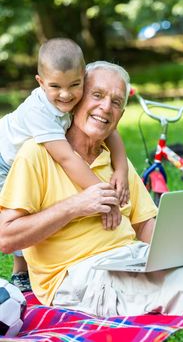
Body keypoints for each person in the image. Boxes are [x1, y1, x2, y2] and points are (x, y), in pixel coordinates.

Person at [0, 61, 183, 320]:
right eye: (97, 95)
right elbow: (6, 237)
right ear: (76, 100)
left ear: (120, 116)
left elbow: (145, 226)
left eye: (116, 101)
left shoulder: (115, 161)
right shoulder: (36, 154)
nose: (105, 107)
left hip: (132, 257)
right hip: (78, 274)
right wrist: (76, 206)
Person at [0, 39, 129, 292]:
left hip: (25, 157)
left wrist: (122, 169)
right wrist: (106, 198)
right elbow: (67, 158)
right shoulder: (40, 112)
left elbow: (111, 133)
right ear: (40, 82)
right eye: (55, 86)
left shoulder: (71, 101)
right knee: (19, 212)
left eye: (74, 85)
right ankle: (21, 272)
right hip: (3, 161)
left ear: (84, 78)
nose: (66, 94)